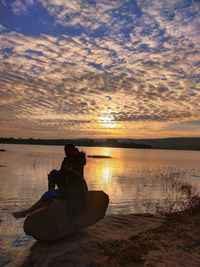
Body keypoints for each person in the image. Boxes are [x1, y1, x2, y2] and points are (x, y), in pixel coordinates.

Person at [12, 144, 88, 218]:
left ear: (73, 150)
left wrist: (71, 171)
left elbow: (79, 175)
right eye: (65, 150)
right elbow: (61, 174)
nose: (66, 152)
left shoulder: (78, 160)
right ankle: (50, 201)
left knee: (48, 195)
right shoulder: (67, 160)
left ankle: (26, 212)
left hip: (73, 190)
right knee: (53, 173)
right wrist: (52, 176)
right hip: (66, 185)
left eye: (68, 150)